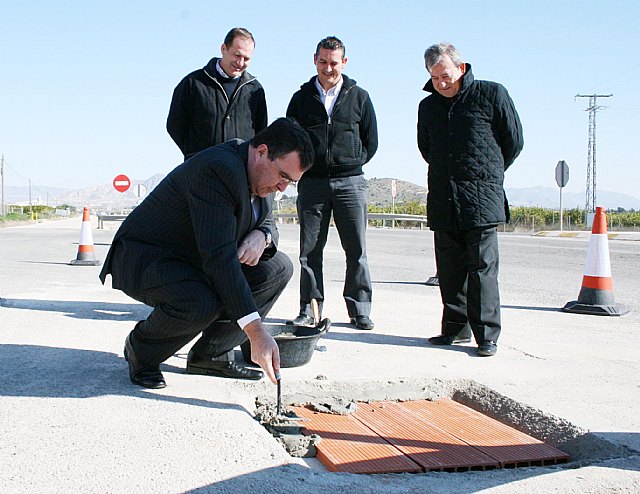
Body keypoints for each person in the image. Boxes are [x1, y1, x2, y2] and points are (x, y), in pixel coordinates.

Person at [99, 118, 314, 388]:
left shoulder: (264, 177)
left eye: (291, 182)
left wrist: (263, 235)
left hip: (194, 259)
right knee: (200, 303)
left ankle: (210, 355)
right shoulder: (219, 170)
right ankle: (142, 349)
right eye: (283, 177)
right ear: (261, 151)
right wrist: (256, 332)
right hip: (146, 258)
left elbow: (266, 219)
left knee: (278, 268)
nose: (283, 188)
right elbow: (219, 259)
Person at [417, 43, 523, 357]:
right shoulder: (428, 107)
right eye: (434, 78)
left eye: (445, 75)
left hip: (481, 198)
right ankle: (454, 329)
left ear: (461, 68)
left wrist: (488, 171)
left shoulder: (492, 95)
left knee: (481, 271)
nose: (441, 83)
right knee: (449, 270)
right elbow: (427, 149)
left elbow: (513, 141)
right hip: (444, 197)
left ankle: (487, 336)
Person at [285, 36, 378, 331]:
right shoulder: (300, 99)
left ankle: (359, 309)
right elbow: (290, 140)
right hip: (312, 184)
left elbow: (370, 140)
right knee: (310, 250)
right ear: (315, 60)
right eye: (323, 62)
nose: (328, 68)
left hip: (350, 182)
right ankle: (309, 308)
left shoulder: (359, 96)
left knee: (356, 249)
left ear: (344, 63)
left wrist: (351, 161)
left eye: (334, 63)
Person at [166, 27, 267, 160]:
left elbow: (261, 133)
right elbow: (175, 125)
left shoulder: (255, 90)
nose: (240, 63)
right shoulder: (193, 83)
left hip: (240, 171)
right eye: (237, 55)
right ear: (223, 49)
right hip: (200, 170)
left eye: (246, 58)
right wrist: (195, 154)